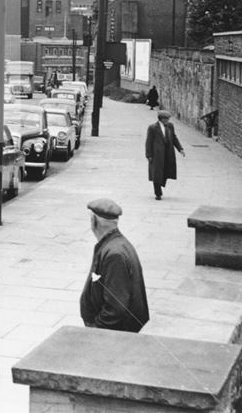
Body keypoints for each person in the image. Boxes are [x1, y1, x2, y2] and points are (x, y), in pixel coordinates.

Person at [79, 198, 150, 333]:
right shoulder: (115, 245)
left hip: (113, 337)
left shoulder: (114, 254)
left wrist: (96, 329)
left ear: (93, 221)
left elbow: (116, 308)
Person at [146, 110, 185, 200]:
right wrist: (149, 155)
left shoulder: (170, 126)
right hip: (157, 154)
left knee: (165, 171)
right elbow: (149, 142)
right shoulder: (152, 128)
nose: (168, 120)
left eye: (168, 119)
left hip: (168, 153)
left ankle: (160, 184)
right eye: (166, 119)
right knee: (156, 173)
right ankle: (158, 193)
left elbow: (174, 138)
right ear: (161, 119)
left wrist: (180, 149)